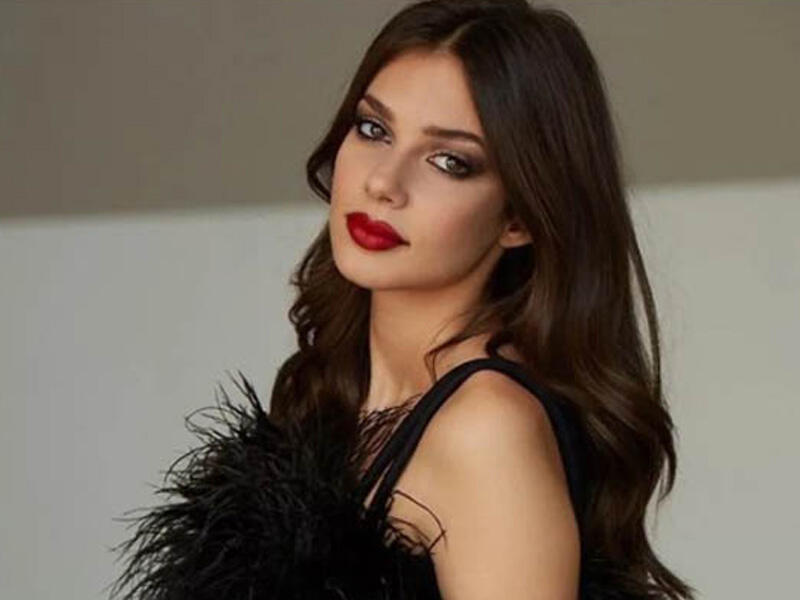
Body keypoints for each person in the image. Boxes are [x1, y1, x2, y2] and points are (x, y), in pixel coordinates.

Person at [108, 1, 697, 599]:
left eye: (449, 161)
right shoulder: (339, 399)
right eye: (374, 130)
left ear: (518, 218)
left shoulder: (485, 430)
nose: (383, 183)